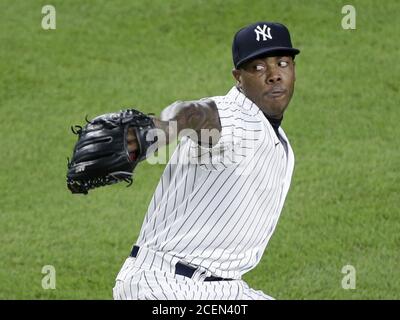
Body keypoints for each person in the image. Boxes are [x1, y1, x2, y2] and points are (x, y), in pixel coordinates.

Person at [113, 21, 300, 300]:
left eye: (282, 63)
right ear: (238, 77)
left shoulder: (275, 135)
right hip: (164, 286)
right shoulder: (235, 115)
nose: (274, 75)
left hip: (223, 288)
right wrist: (161, 129)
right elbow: (192, 113)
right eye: (258, 68)